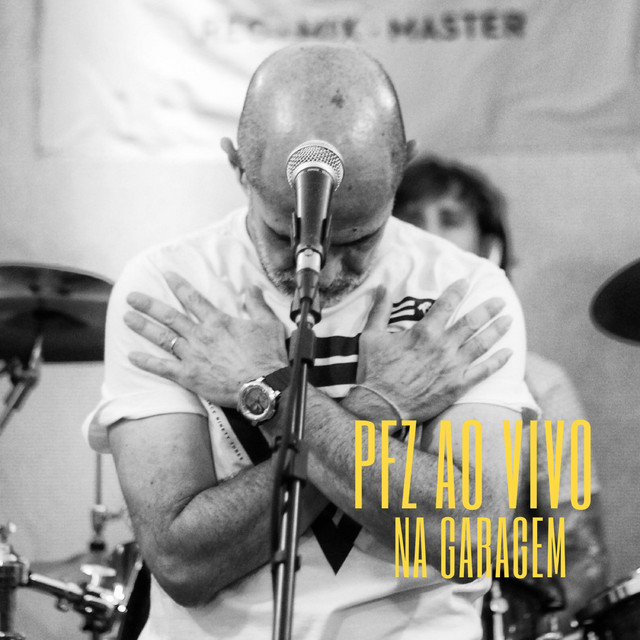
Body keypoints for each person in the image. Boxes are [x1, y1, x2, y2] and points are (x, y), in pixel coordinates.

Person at [84, 44, 537, 639]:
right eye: (284, 235)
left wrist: (265, 390)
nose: (321, 266)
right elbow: (183, 564)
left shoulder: (465, 292)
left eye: (358, 239)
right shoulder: (169, 287)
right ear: (237, 165)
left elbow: (470, 539)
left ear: (401, 166)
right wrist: (378, 408)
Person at [393, 155, 608, 633]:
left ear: (490, 248)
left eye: (450, 219)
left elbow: (583, 558)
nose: (429, 236)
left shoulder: (543, 384)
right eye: (409, 220)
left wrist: (486, 540)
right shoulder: (347, 376)